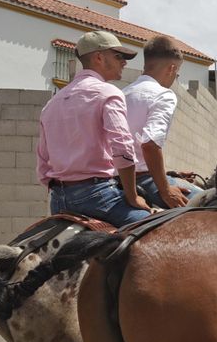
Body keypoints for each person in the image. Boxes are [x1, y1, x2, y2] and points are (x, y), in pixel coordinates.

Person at [35, 30, 152, 226]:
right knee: (154, 227)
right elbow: (122, 149)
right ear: (99, 57)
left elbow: (43, 163)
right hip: (98, 197)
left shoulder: (52, 104)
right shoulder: (108, 93)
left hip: (58, 201)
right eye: (119, 56)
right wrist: (133, 196)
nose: (124, 62)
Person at [123, 34, 201, 210]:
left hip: (116, 178)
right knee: (214, 205)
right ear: (171, 68)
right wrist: (165, 189)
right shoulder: (163, 95)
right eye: (177, 74)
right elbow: (149, 144)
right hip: (143, 180)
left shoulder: (122, 93)